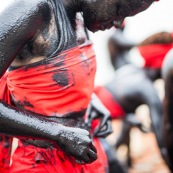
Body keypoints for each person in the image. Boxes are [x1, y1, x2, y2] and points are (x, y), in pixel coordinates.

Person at [0, 0, 159, 172]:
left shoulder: (80, 18)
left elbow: (59, 80)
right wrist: (57, 134)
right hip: (41, 163)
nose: (118, 24)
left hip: (84, 155)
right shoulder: (33, 11)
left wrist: (90, 99)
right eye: (119, 11)